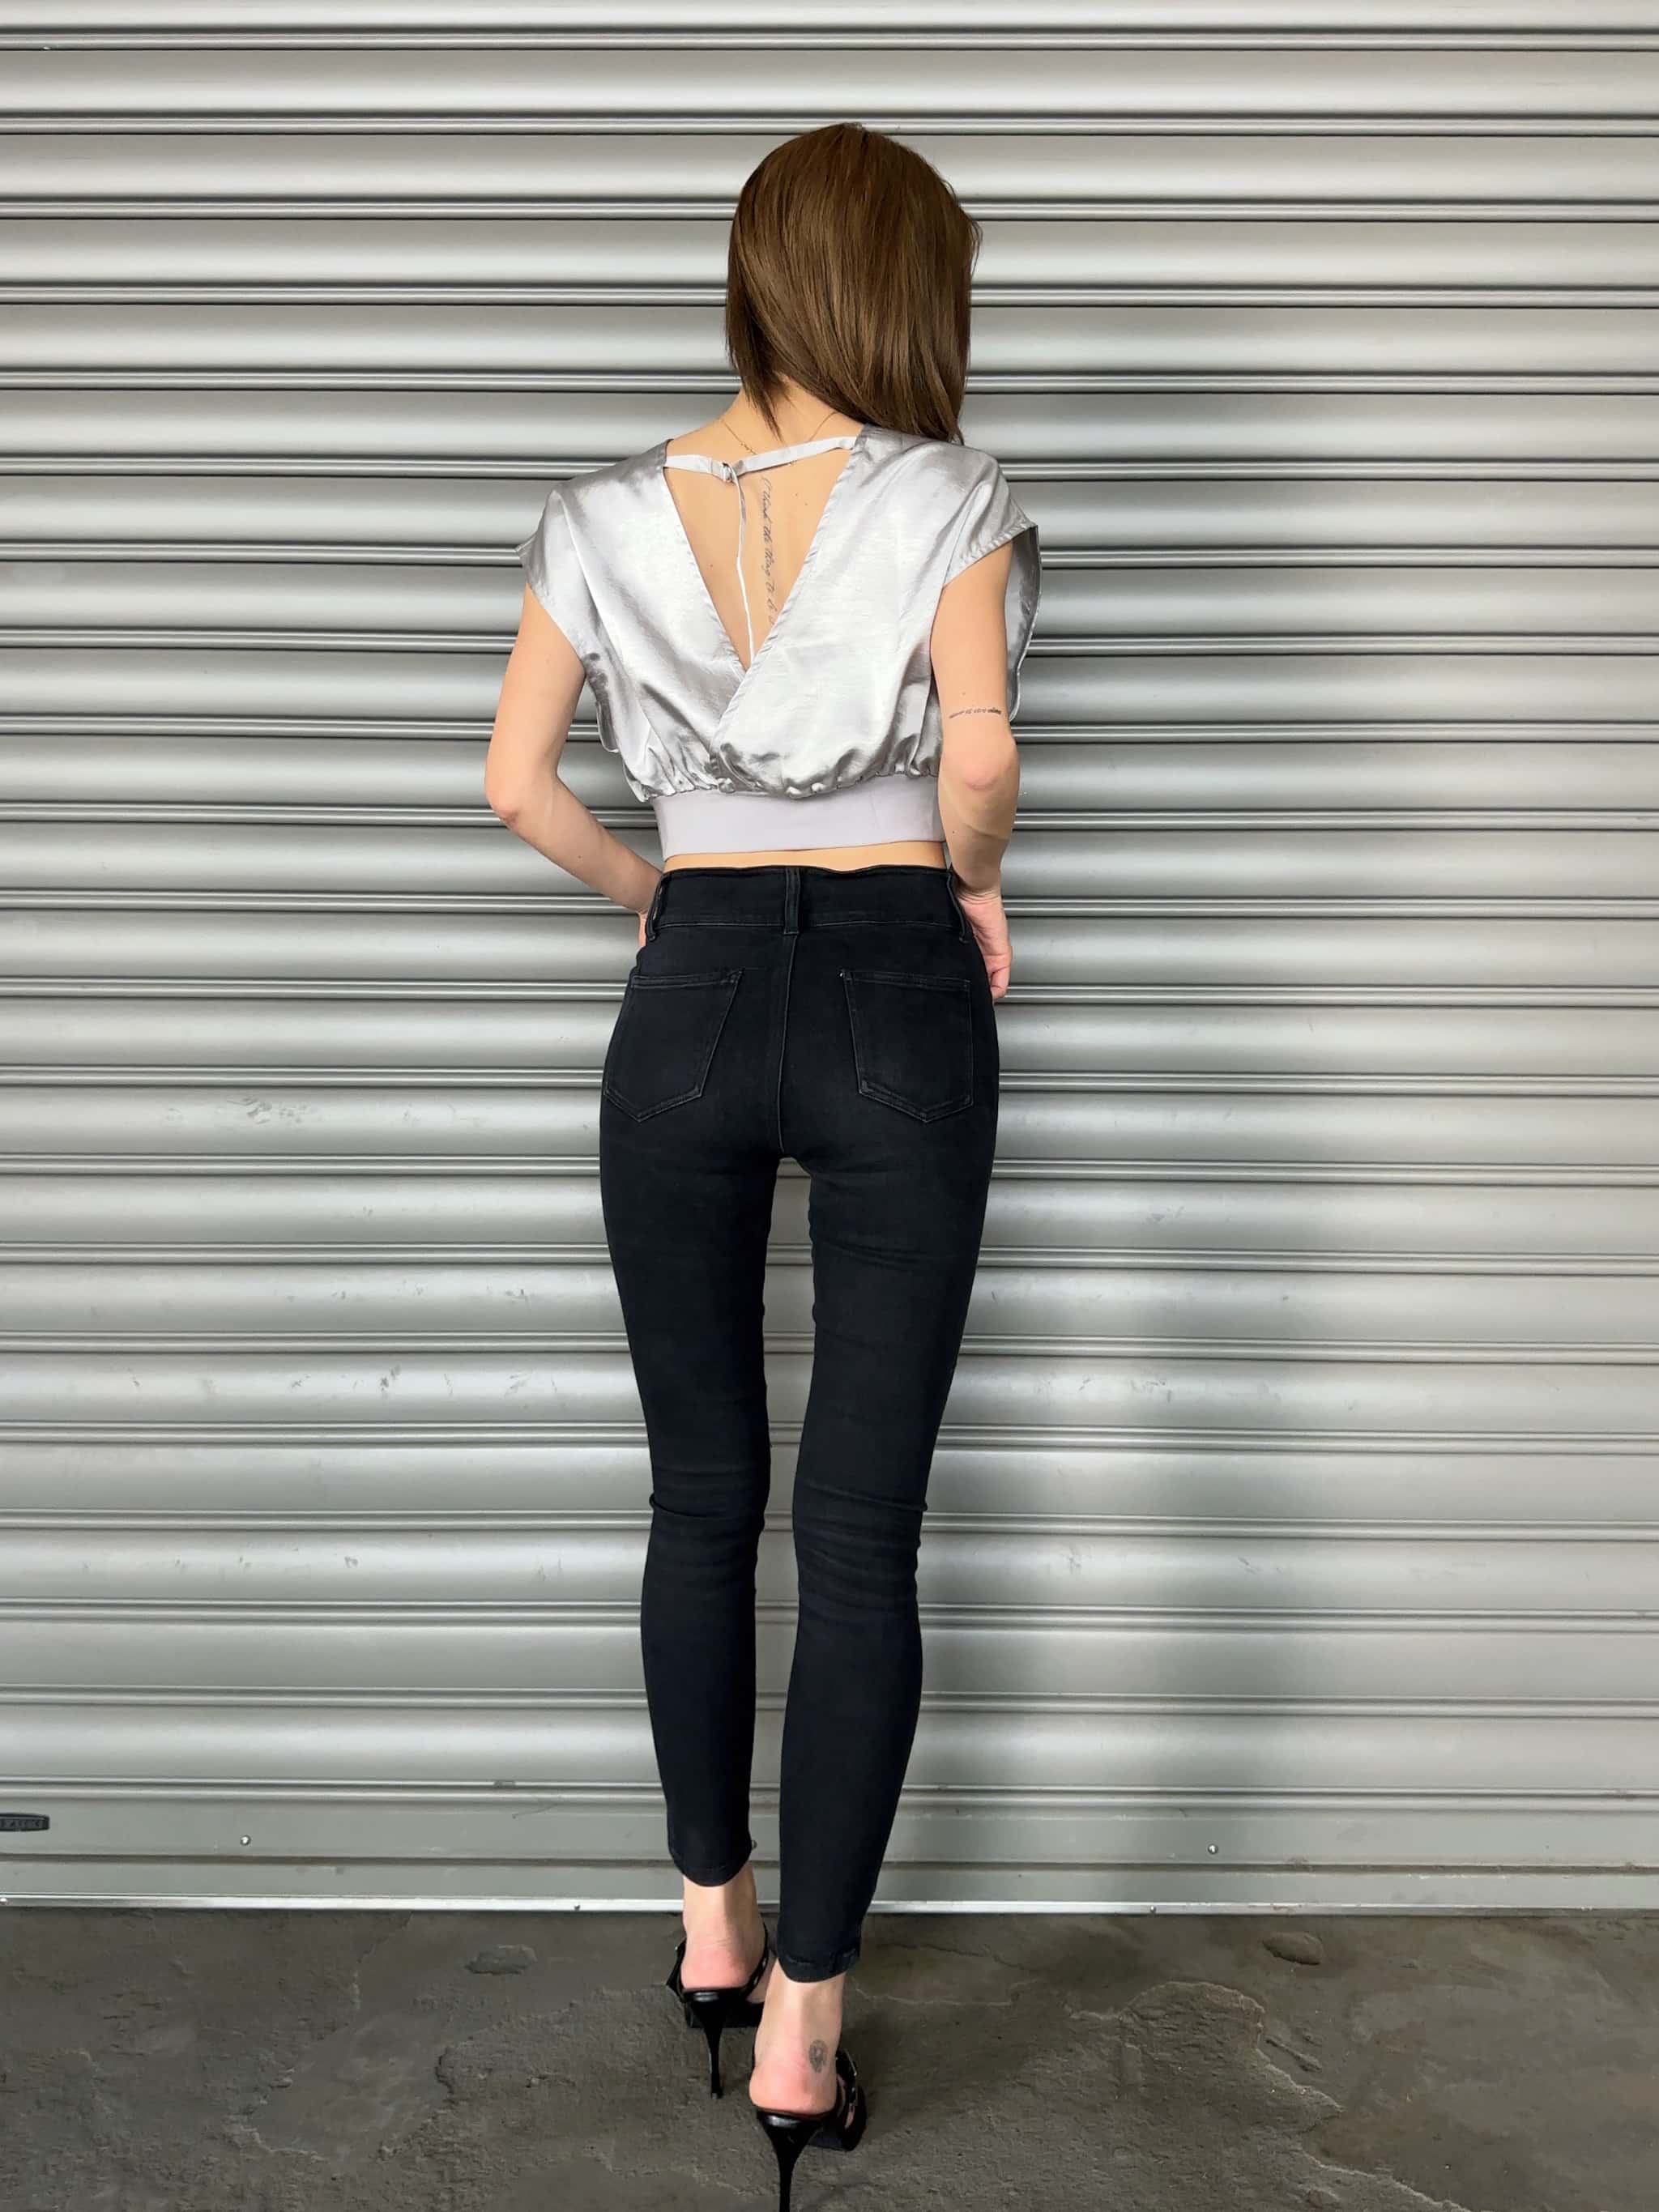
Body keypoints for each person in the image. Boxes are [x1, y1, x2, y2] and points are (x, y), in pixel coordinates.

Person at [484, 118, 1041, 2208]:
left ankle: (709, 1927)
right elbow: (977, 756)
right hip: (896, 983)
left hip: (694, 986)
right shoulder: (950, 495)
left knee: (701, 1495)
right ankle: (806, 2033)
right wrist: (971, 882)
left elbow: (511, 780)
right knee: (864, 1534)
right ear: (907, 291)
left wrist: (653, 889)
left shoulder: (595, 514)